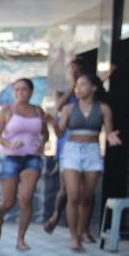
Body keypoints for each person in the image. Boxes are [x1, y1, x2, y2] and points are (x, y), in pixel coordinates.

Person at [55, 73, 121, 252]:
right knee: (73, 195)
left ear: (93, 88)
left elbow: (108, 132)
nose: (78, 88)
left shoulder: (103, 108)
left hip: (92, 151)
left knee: (87, 197)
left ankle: (81, 230)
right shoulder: (69, 109)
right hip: (72, 151)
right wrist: (53, 123)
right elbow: (60, 133)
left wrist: (111, 136)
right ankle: (74, 238)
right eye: (77, 85)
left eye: (83, 84)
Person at [0, 78, 50, 251]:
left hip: (32, 157)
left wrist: (42, 143)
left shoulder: (38, 111)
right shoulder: (7, 110)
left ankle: (20, 239)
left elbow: (45, 133)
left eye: (23, 89)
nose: (20, 93)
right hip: (10, 158)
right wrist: (9, 145)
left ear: (31, 92)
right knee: (8, 202)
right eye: (16, 90)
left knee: (26, 198)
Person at [44, 58, 85, 233]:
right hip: (65, 142)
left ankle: (83, 229)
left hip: (85, 142)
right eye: (71, 70)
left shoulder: (87, 91)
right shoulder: (62, 91)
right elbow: (58, 108)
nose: (74, 73)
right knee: (65, 189)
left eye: (77, 70)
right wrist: (72, 88)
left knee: (84, 191)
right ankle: (56, 215)